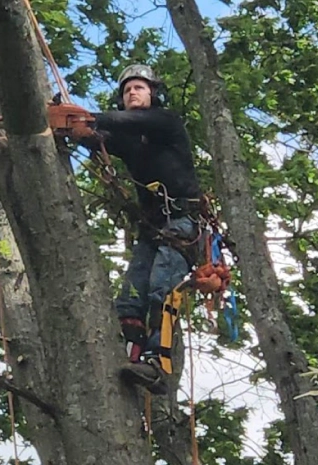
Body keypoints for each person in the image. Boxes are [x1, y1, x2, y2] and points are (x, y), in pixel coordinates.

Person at [79, 64, 204, 395]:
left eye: (139, 88)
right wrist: (72, 128)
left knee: (161, 289)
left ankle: (158, 364)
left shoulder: (166, 122)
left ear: (153, 94)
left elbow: (119, 122)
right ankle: (130, 354)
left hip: (182, 222)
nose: (132, 93)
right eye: (127, 90)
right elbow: (101, 137)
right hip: (152, 228)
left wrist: (85, 116)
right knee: (130, 300)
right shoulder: (129, 140)